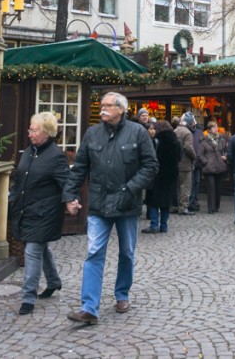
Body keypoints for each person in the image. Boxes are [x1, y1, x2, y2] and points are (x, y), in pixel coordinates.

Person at [64, 92, 158, 325]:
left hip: (127, 204)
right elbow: (80, 168)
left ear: (121, 109)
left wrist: (129, 190)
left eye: (108, 105)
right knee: (94, 252)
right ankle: (89, 308)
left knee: (127, 252)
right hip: (98, 204)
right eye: (101, 105)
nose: (103, 109)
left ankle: (122, 294)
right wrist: (70, 195)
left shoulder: (137, 133)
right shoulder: (92, 134)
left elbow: (151, 166)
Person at [10, 111, 70, 316]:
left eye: (33, 130)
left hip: (45, 213)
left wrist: (72, 201)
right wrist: (12, 200)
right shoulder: (28, 151)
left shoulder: (56, 156)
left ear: (46, 132)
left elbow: (67, 183)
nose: (29, 133)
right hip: (25, 209)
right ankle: (53, 282)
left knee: (33, 250)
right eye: (30, 129)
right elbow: (19, 180)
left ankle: (28, 298)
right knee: (39, 247)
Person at [143, 120, 180, 233]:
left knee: (154, 201)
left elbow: (151, 157)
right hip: (170, 176)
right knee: (165, 203)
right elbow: (179, 157)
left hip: (157, 175)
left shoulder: (157, 141)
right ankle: (164, 225)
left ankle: (154, 225)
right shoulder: (175, 141)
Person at [197, 121, 228, 214]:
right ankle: (211, 207)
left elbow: (226, 151)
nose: (216, 129)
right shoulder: (204, 141)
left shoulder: (221, 140)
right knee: (211, 188)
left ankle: (217, 206)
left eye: (216, 127)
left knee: (218, 188)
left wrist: (225, 156)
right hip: (209, 167)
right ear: (209, 130)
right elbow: (200, 154)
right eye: (214, 127)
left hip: (219, 166)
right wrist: (205, 162)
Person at [174, 114, 197, 215]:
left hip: (175, 163)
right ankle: (183, 207)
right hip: (185, 163)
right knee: (185, 187)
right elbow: (188, 147)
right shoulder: (188, 133)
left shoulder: (175, 131)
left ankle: (174, 205)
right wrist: (194, 156)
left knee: (176, 186)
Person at [184, 112, 203, 213]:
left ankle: (194, 200)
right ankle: (189, 202)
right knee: (189, 184)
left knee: (196, 182)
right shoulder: (186, 132)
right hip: (188, 162)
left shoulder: (199, 132)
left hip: (197, 162)